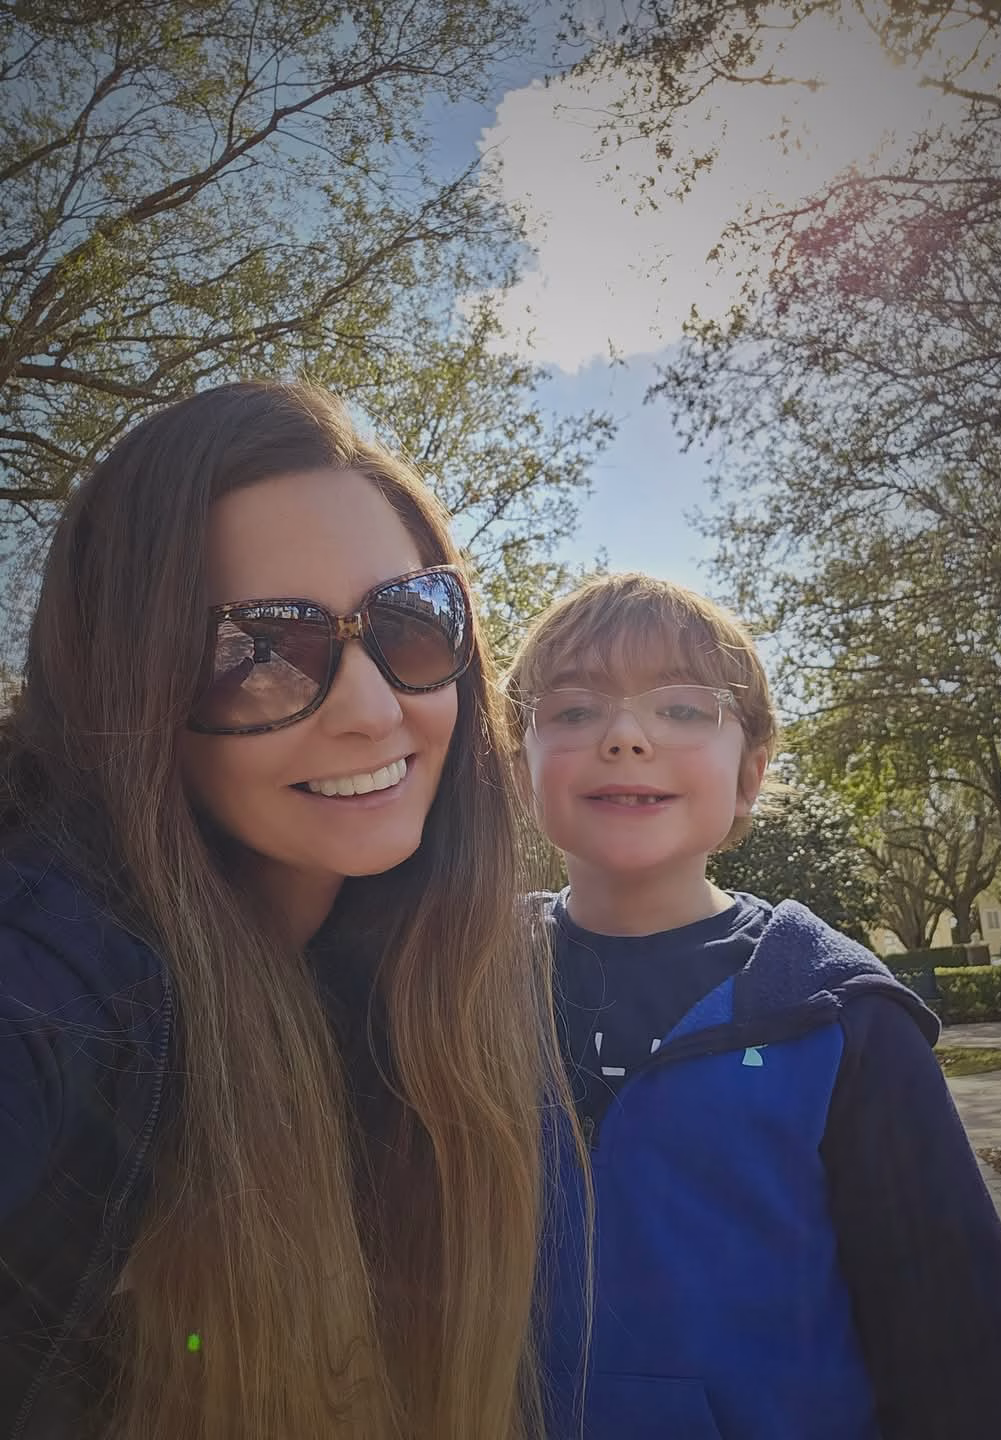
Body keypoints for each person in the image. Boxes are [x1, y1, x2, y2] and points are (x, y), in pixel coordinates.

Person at [0, 381, 572, 1440]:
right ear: (128, 689)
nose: (373, 709)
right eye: (256, 653)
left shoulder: (435, 983)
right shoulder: (63, 972)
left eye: (412, 622)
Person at [504, 572, 1001, 1440]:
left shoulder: (842, 1017)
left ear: (750, 774)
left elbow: (957, 1347)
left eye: (683, 709)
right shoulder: (455, 993)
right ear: (518, 765)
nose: (625, 736)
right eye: (573, 709)